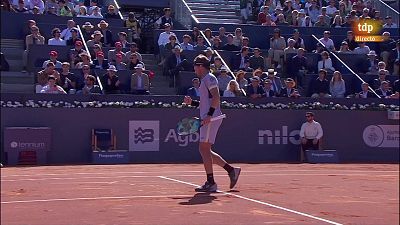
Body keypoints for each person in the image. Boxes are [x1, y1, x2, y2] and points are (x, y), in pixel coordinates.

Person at [183, 55, 241, 192]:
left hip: (211, 118)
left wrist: (209, 115)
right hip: (209, 117)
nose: (194, 69)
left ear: (201, 66)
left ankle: (211, 182)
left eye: (195, 66)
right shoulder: (205, 80)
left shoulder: (209, 78)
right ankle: (232, 171)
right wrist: (192, 103)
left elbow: (216, 97)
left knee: (203, 149)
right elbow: (206, 102)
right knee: (205, 150)